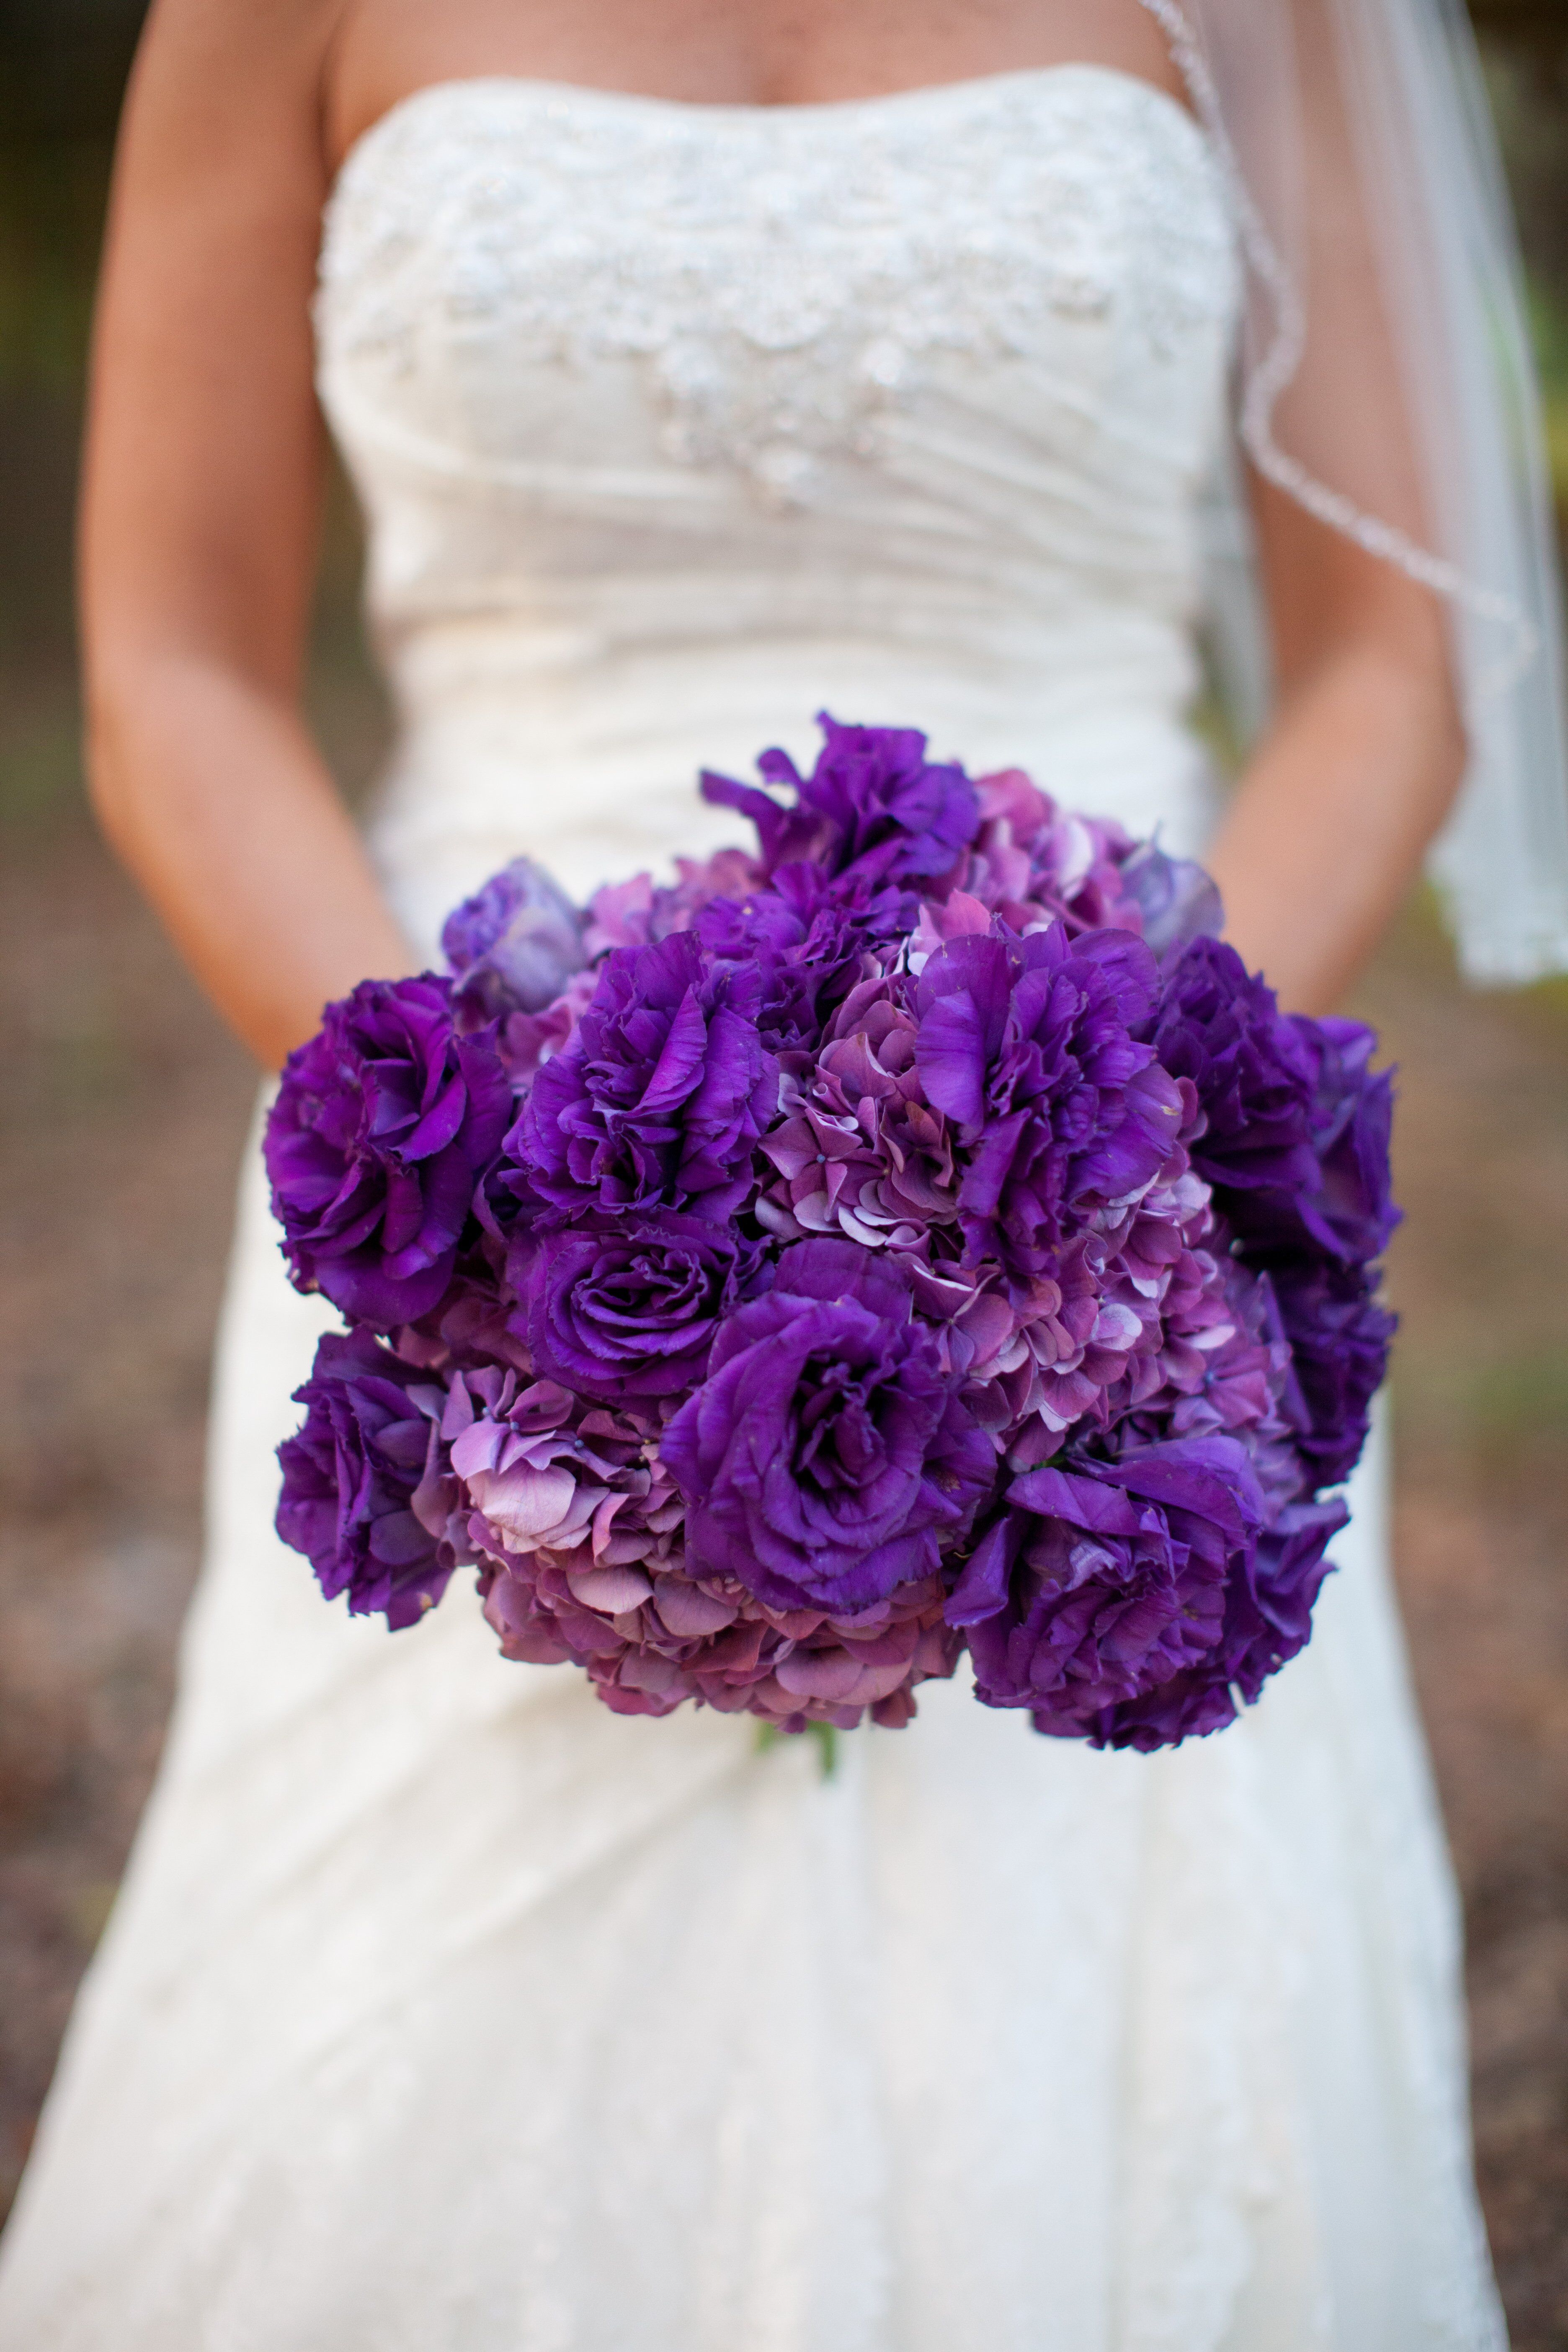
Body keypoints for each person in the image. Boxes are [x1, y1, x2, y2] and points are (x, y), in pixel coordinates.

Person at [1, 0, 1560, 2341]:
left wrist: (1117, 1160)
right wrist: (489, 1209)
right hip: (460, 1184)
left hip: (1104, 1203)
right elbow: (174, 663)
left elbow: (1388, 668)